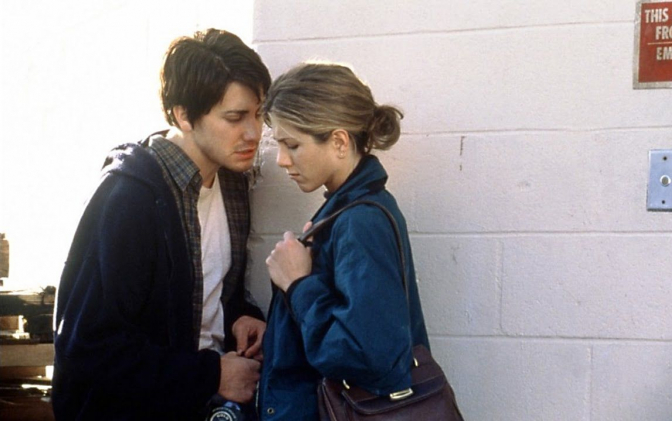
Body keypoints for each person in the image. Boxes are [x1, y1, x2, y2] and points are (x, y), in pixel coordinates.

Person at [52, 29, 271, 420]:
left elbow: (201, 296)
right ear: (183, 115)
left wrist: (241, 314)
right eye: (235, 117)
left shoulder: (233, 184)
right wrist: (210, 375)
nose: (254, 133)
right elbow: (87, 348)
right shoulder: (129, 198)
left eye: (258, 114)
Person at [260, 63, 430, 420]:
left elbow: (366, 353)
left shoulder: (360, 221)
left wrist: (298, 284)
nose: (281, 160)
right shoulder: (348, 212)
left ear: (339, 141)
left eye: (292, 145)